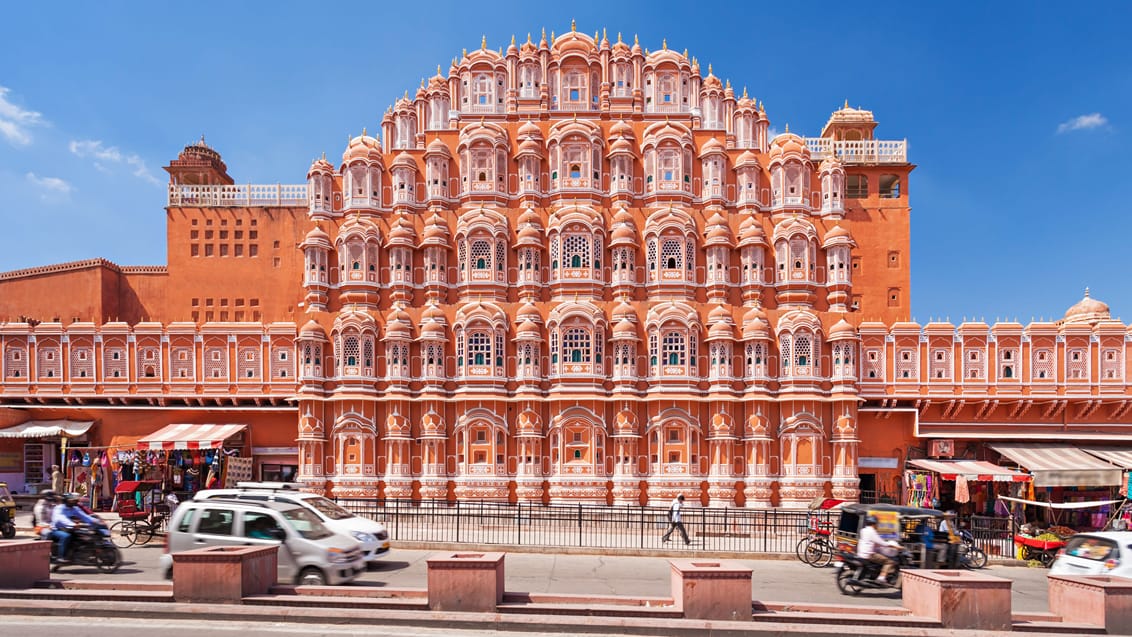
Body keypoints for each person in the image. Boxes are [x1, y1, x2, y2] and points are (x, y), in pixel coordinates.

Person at [50, 492, 98, 562]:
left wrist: (95, 521)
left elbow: (84, 516)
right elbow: (61, 518)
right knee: (66, 536)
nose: (74, 502)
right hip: (57, 529)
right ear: (66, 501)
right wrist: (72, 524)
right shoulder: (59, 508)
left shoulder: (74, 508)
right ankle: (61, 557)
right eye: (71, 500)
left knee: (87, 535)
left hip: (70, 529)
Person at [857, 514, 901, 583]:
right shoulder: (872, 532)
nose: (877, 525)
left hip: (861, 553)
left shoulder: (863, 530)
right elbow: (883, 543)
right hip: (869, 555)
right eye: (877, 524)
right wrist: (896, 547)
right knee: (889, 561)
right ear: (874, 524)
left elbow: (870, 542)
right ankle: (881, 577)